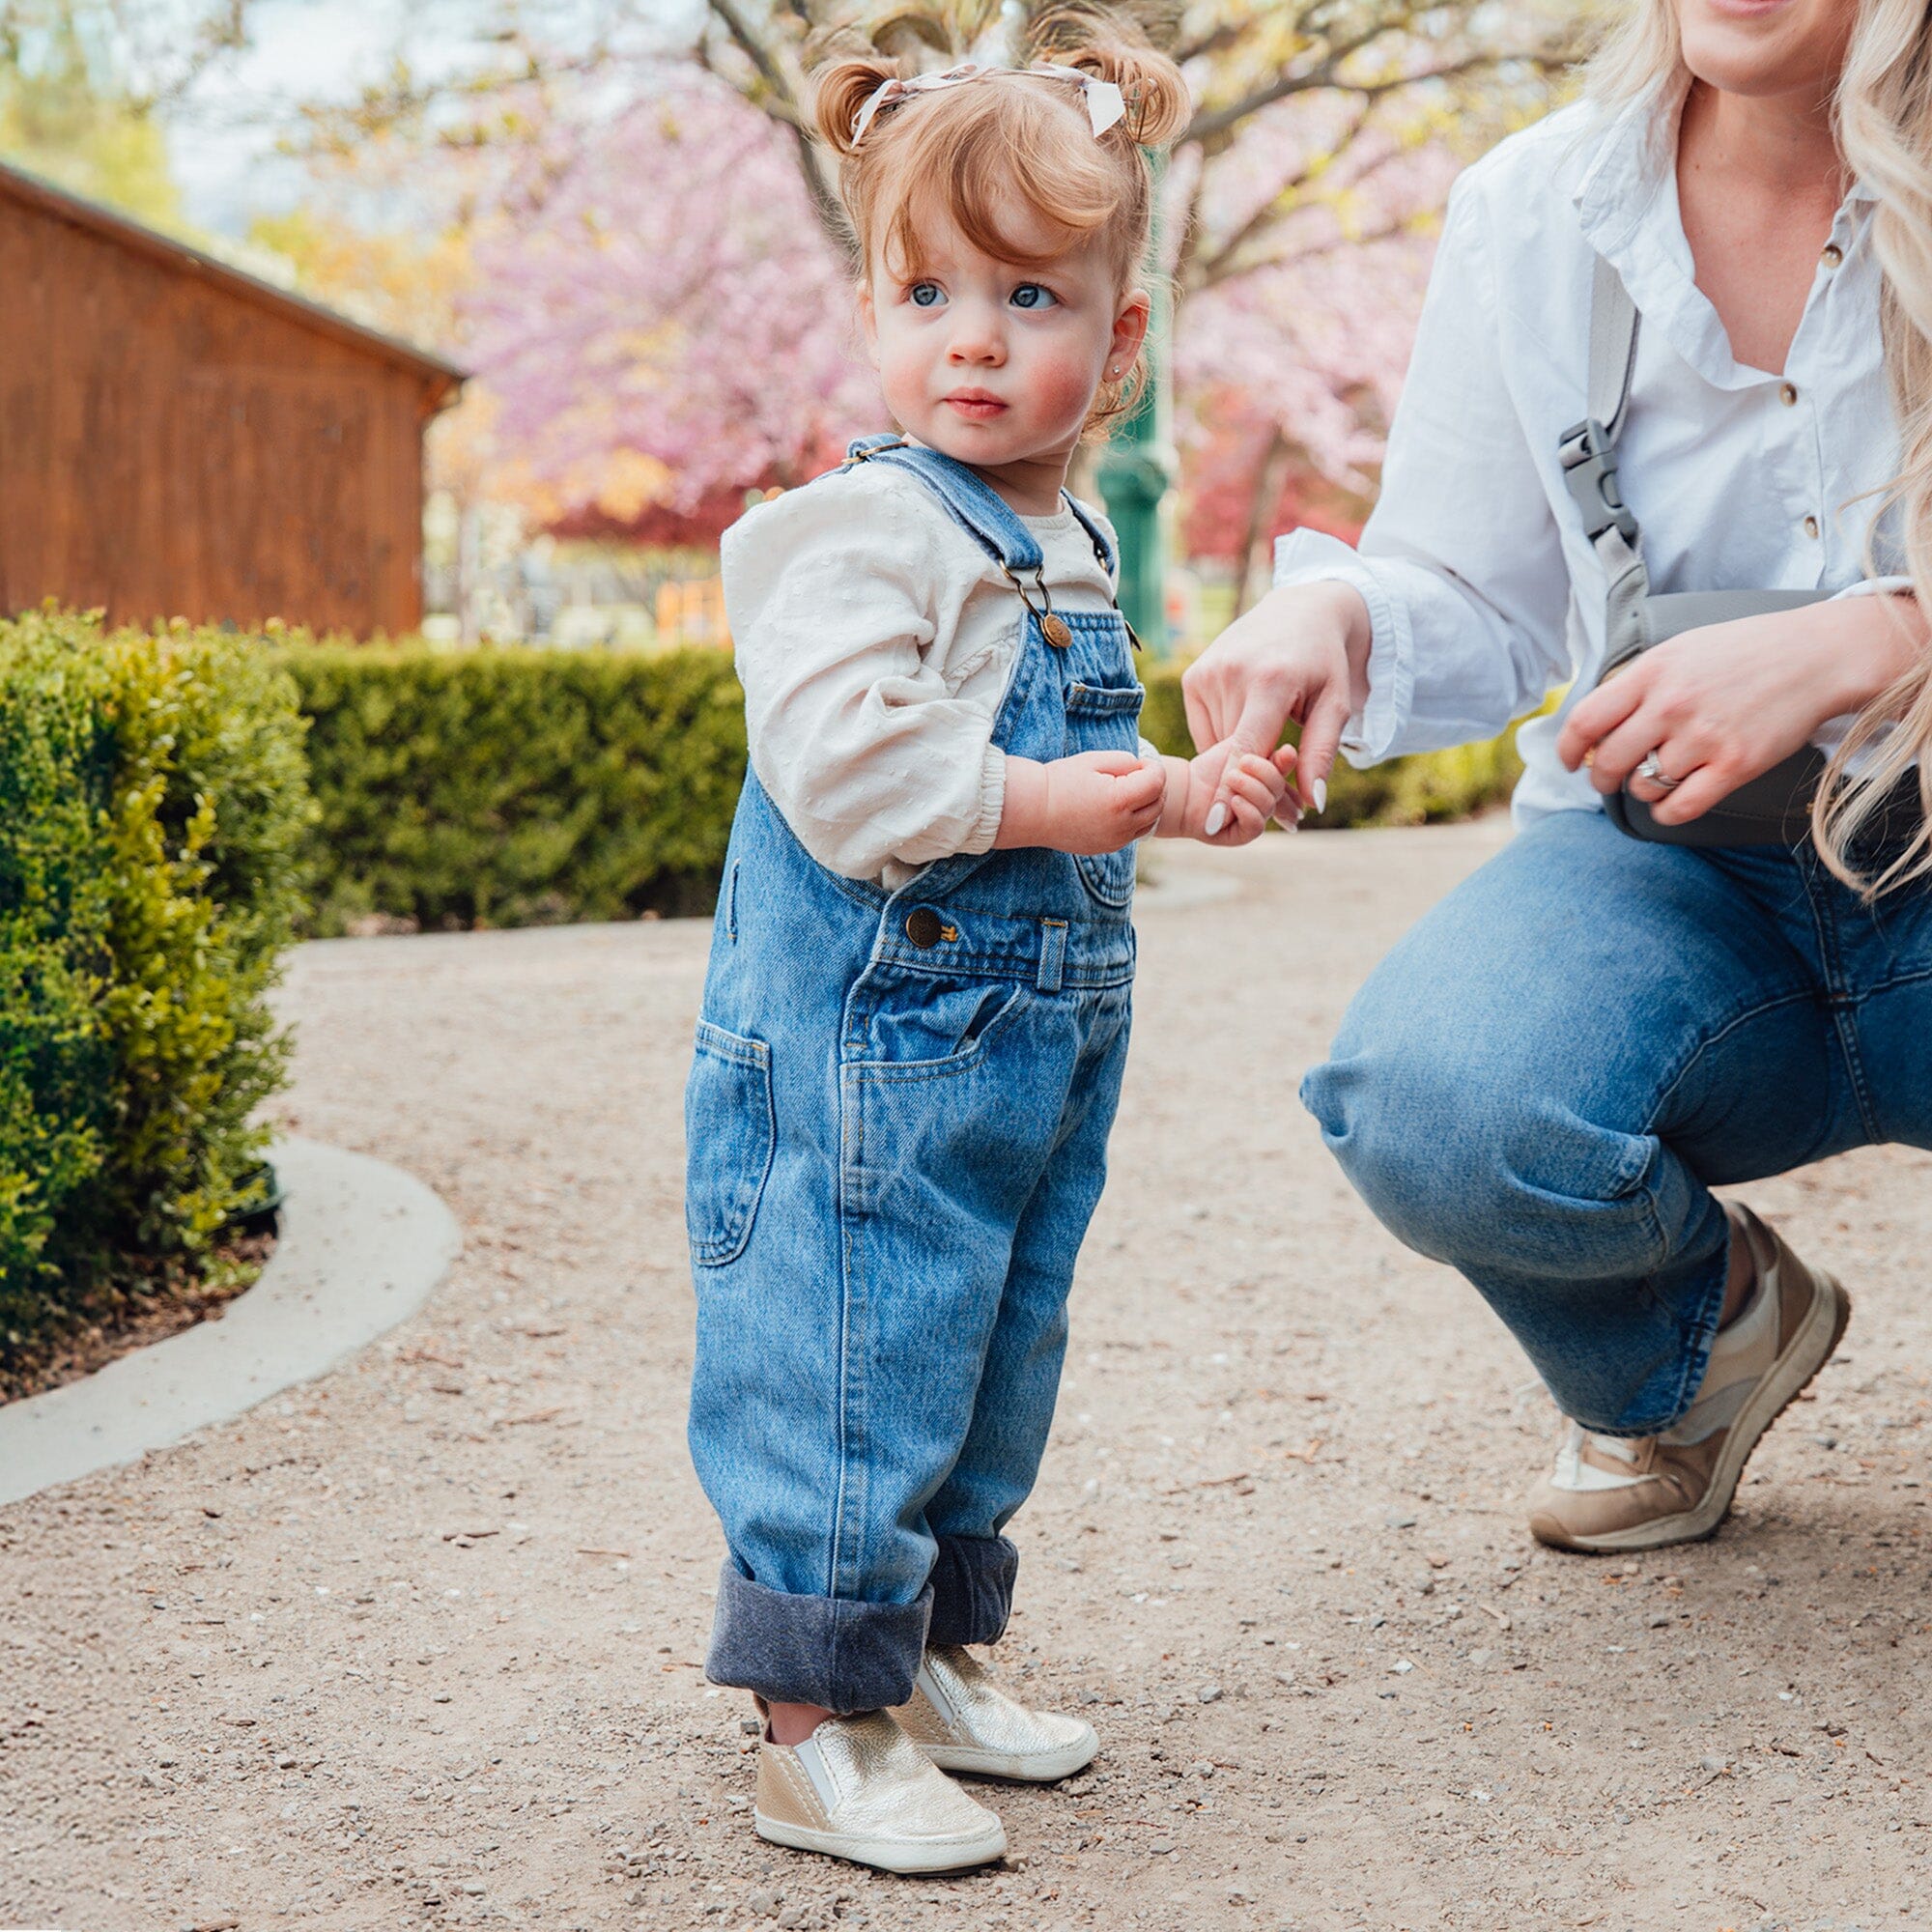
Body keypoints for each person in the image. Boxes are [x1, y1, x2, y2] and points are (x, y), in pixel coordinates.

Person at [1183, 0, 1932, 1556]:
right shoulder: (1535, 208)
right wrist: (1341, 610)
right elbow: (1473, 586)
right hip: (1684, 875)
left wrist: (1878, 636)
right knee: (1440, 1109)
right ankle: (1700, 1353)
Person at [683, 31, 1293, 1874]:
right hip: (872, 1058)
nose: (971, 336)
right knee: (854, 1355)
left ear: (1116, 348)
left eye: (1028, 297)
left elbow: (1062, 762)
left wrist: (1179, 794)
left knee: (988, 1351)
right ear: (871, 307)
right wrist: (1047, 808)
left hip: (1019, 1058)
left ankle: (928, 1660)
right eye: (925, 289)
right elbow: (856, 765)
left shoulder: (1063, 530)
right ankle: (812, 1723)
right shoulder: (860, 531)